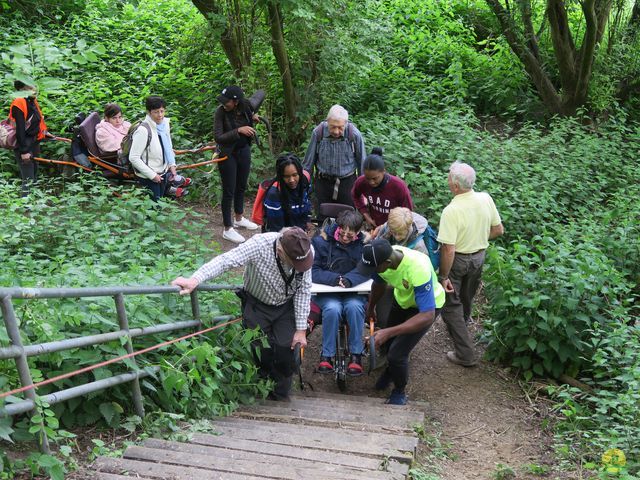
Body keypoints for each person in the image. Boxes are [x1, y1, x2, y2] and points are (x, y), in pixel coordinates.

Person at [172, 227, 313, 401]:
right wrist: (194, 280)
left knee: (287, 350)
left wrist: (300, 330)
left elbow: (304, 290)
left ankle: (281, 396)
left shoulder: (305, 252)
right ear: (280, 251)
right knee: (262, 350)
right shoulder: (259, 245)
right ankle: (263, 390)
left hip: (286, 306)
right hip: (257, 304)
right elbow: (226, 261)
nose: (299, 268)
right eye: (294, 263)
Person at [359, 238, 445, 405]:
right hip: (403, 301)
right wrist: (371, 308)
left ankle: (399, 391)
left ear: (388, 263)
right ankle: (390, 371)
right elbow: (378, 284)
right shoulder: (381, 257)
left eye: (373, 269)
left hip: (426, 309)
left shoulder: (418, 268)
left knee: (397, 353)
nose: (371, 272)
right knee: (388, 343)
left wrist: (388, 331)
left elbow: (427, 315)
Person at [437, 161, 504, 367]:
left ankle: (465, 353)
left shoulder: (451, 210)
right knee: (466, 296)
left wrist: (443, 276)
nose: (447, 180)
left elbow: (449, 250)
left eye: (449, 177)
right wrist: (478, 239)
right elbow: (498, 230)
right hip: (479, 256)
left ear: (455, 186)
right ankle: (462, 330)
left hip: (459, 260)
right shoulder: (485, 199)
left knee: (449, 304)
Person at [312, 210, 369, 376]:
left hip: (354, 291)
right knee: (332, 308)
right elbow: (313, 270)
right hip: (327, 291)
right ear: (337, 227)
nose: (344, 238)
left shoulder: (364, 245)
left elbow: (366, 270)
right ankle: (327, 355)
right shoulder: (320, 242)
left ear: (358, 233)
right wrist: (334, 279)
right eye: (342, 234)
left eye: (350, 236)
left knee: (354, 307)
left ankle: (356, 355)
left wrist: (350, 279)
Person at [214, 85, 261, 243]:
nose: (224, 104)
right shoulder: (221, 112)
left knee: (241, 185)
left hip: (243, 150)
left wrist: (253, 117)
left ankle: (239, 218)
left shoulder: (245, 106)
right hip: (227, 154)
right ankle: (228, 229)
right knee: (229, 190)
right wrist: (239, 131)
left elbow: (258, 98)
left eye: (226, 102)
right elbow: (219, 137)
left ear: (235, 101)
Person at [303, 105, 366, 219]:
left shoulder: (354, 134)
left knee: (348, 219)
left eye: (340, 127)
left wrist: (364, 189)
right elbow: (309, 162)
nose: (336, 131)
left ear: (346, 123)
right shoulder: (318, 133)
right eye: (333, 127)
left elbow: (362, 162)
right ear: (327, 122)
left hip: (347, 183)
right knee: (323, 218)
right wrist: (303, 185)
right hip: (323, 182)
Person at [129, 96, 181, 202]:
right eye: (156, 112)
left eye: (162, 111)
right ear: (148, 112)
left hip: (163, 172)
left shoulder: (164, 124)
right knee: (153, 207)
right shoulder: (143, 130)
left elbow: (168, 147)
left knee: (159, 204)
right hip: (148, 175)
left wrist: (172, 165)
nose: (160, 115)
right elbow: (133, 157)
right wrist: (152, 175)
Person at [351, 147, 414, 230]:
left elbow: (408, 212)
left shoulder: (398, 186)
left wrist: (386, 228)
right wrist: (366, 215)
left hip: (395, 229)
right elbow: (355, 195)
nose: (371, 182)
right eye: (368, 178)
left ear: (383, 171)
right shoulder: (362, 182)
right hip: (374, 226)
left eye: (375, 178)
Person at [8, 80, 50, 196]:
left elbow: (36, 121)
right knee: (28, 179)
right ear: (22, 88)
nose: (35, 88)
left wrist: (45, 133)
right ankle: (25, 209)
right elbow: (20, 130)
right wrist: (24, 152)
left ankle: (33, 206)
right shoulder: (19, 102)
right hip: (24, 144)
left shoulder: (31, 101)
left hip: (34, 142)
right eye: (31, 85)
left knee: (34, 176)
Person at [262, 153, 313, 233]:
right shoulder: (274, 194)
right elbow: (276, 230)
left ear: (300, 172)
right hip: (279, 235)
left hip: (298, 229)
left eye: (295, 175)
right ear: (280, 177)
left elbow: (307, 200)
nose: (291, 180)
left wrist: (307, 219)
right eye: (286, 176)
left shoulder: (305, 181)